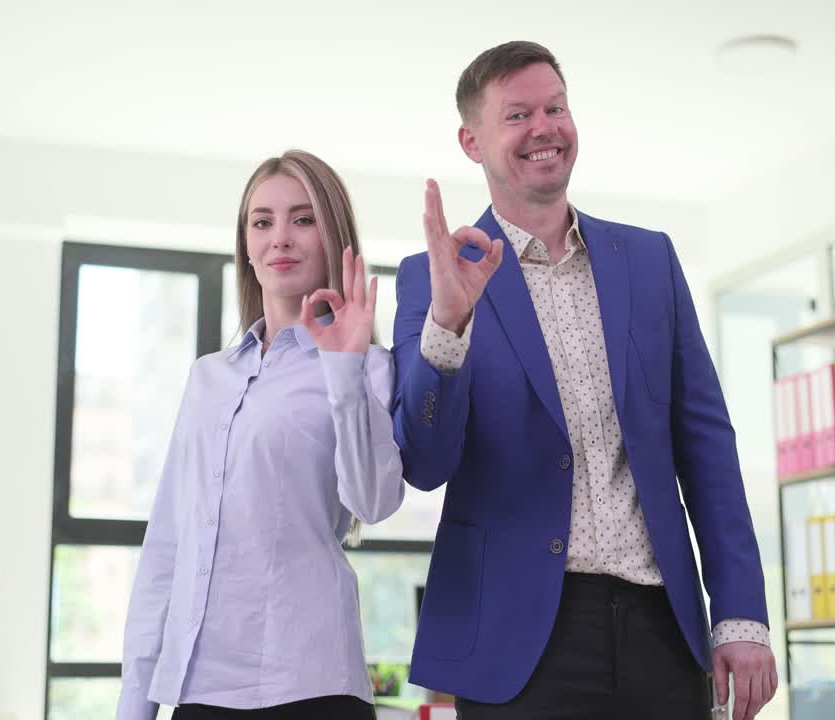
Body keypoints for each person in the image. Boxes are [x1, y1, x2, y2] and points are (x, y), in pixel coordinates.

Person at [390, 41, 778, 720]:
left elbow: (706, 443)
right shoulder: (433, 277)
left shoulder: (650, 260)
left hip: (663, 627)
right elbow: (425, 463)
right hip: (518, 646)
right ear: (471, 140)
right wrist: (449, 325)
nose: (545, 127)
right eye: (518, 115)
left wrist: (741, 616)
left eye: (556, 107)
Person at [117, 149, 404, 720]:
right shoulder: (207, 378)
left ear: (333, 239)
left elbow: (373, 502)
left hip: (309, 683)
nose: (281, 239)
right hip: (198, 689)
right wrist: (135, 704)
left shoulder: (366, 365)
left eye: (303, 219)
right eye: (262, 222)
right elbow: (167, 547)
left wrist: (343, 368)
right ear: (246, 246)